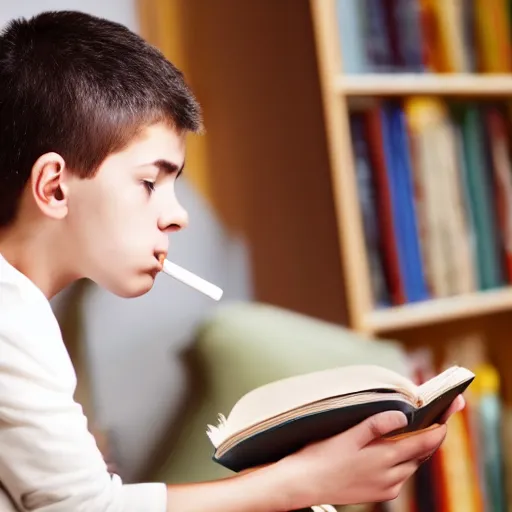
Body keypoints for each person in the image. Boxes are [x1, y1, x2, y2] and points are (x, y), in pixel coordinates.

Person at [0, 9, 464, 512]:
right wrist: (304, 482)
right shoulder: (11, 319)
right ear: (53, 186)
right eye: (149, 182)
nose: (177, 216)